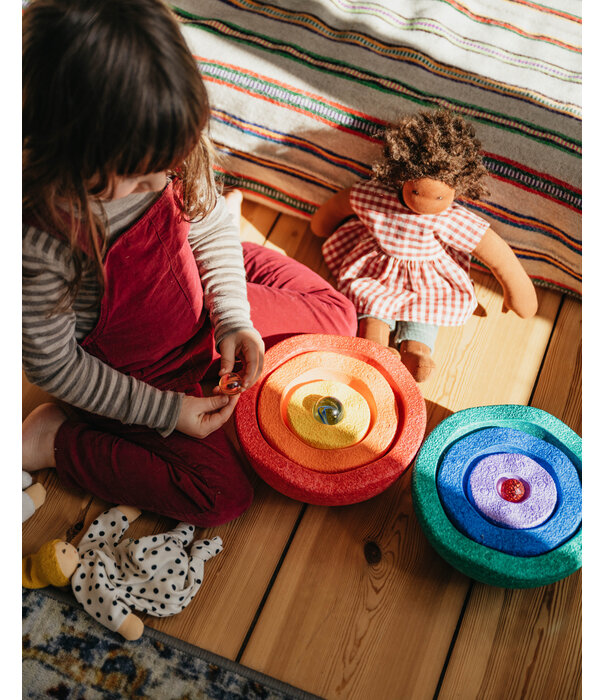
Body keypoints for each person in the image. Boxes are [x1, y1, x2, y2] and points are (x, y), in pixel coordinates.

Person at [22, 0, 357, 527]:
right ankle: (55, 440)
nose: (159, 185)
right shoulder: (42, 238)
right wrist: (166, 411)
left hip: (195, 294)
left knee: (338, 317)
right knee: (220, 496)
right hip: (138, 375)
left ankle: (231, 296)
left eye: (166, 166)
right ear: (64, 152)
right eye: (135, 178)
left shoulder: (161, 129)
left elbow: (206, 220)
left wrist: (233, 314)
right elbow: (54, 364)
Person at [311, 110, 538, 382]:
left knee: (427, 308)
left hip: (429, 280)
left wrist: (516, 291)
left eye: (440, 196)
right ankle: (375, 348)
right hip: (378, 270)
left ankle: (417, 350)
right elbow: (341, 204)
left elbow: (497, 255)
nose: (425, 203)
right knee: (370, 303)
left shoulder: (451, 219)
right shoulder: (376, 198)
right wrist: (321, 224)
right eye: (416, 192)